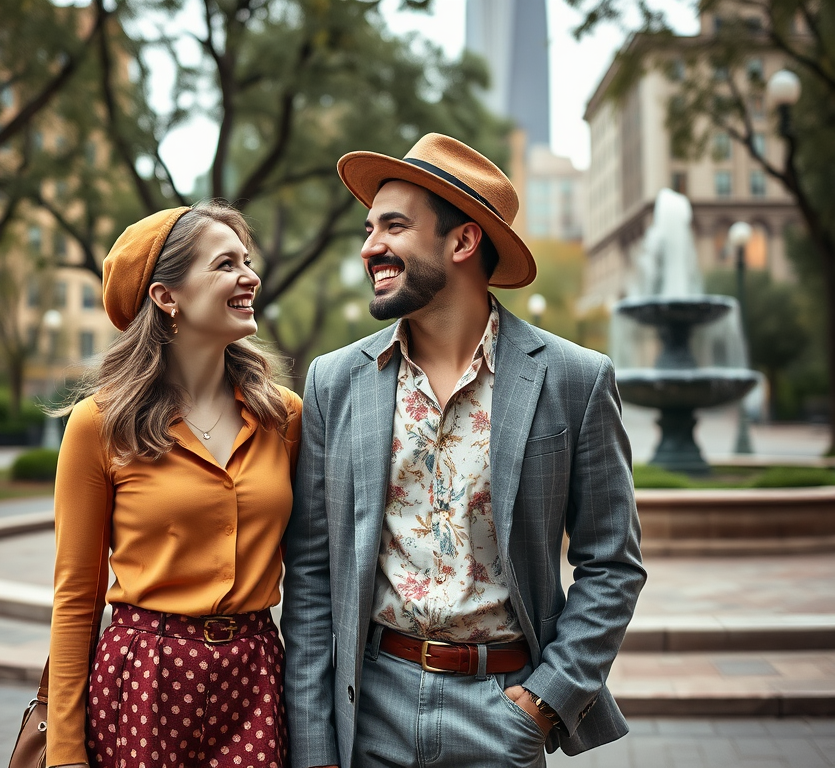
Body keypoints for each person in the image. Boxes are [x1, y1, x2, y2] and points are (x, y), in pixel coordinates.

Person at [281, 134, 646, 768]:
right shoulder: (334, 382)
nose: (371, 247)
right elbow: (312, 578)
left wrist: (541, 703)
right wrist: (315, 746)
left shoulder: (573, 380)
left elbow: (612, 564)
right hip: (370, 705)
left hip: (501, 708)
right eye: (369, 228)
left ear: (462, 241)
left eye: (394, 226)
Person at [45, 201, 301, 768]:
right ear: (167, 297)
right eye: (224, 264)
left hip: (255, 680)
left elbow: (314, 570)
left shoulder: (285, 417)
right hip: (143, 682)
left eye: (247, 261)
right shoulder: (99, 424)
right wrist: (64, 750)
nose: (249, 276)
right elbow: (75, 598)